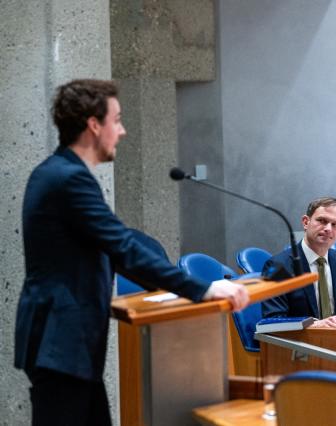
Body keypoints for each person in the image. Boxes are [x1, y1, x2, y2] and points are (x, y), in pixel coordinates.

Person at [14, 79, 249, 426]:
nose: (122, 131)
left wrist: (164, 287)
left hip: (67, 344)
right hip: (60, 342)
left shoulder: (62, 173)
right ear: (94, 125)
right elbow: (122, 247)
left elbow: (116, 247)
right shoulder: (68, 179)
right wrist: (203, 289)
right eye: (117, 120)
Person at [262, 197, 336, 328]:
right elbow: (272, 320)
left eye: (335, 224)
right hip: (300, 344)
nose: (328, 228)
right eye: (322, 221)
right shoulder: (278, 265)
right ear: (305, 222)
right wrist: (314, 324)